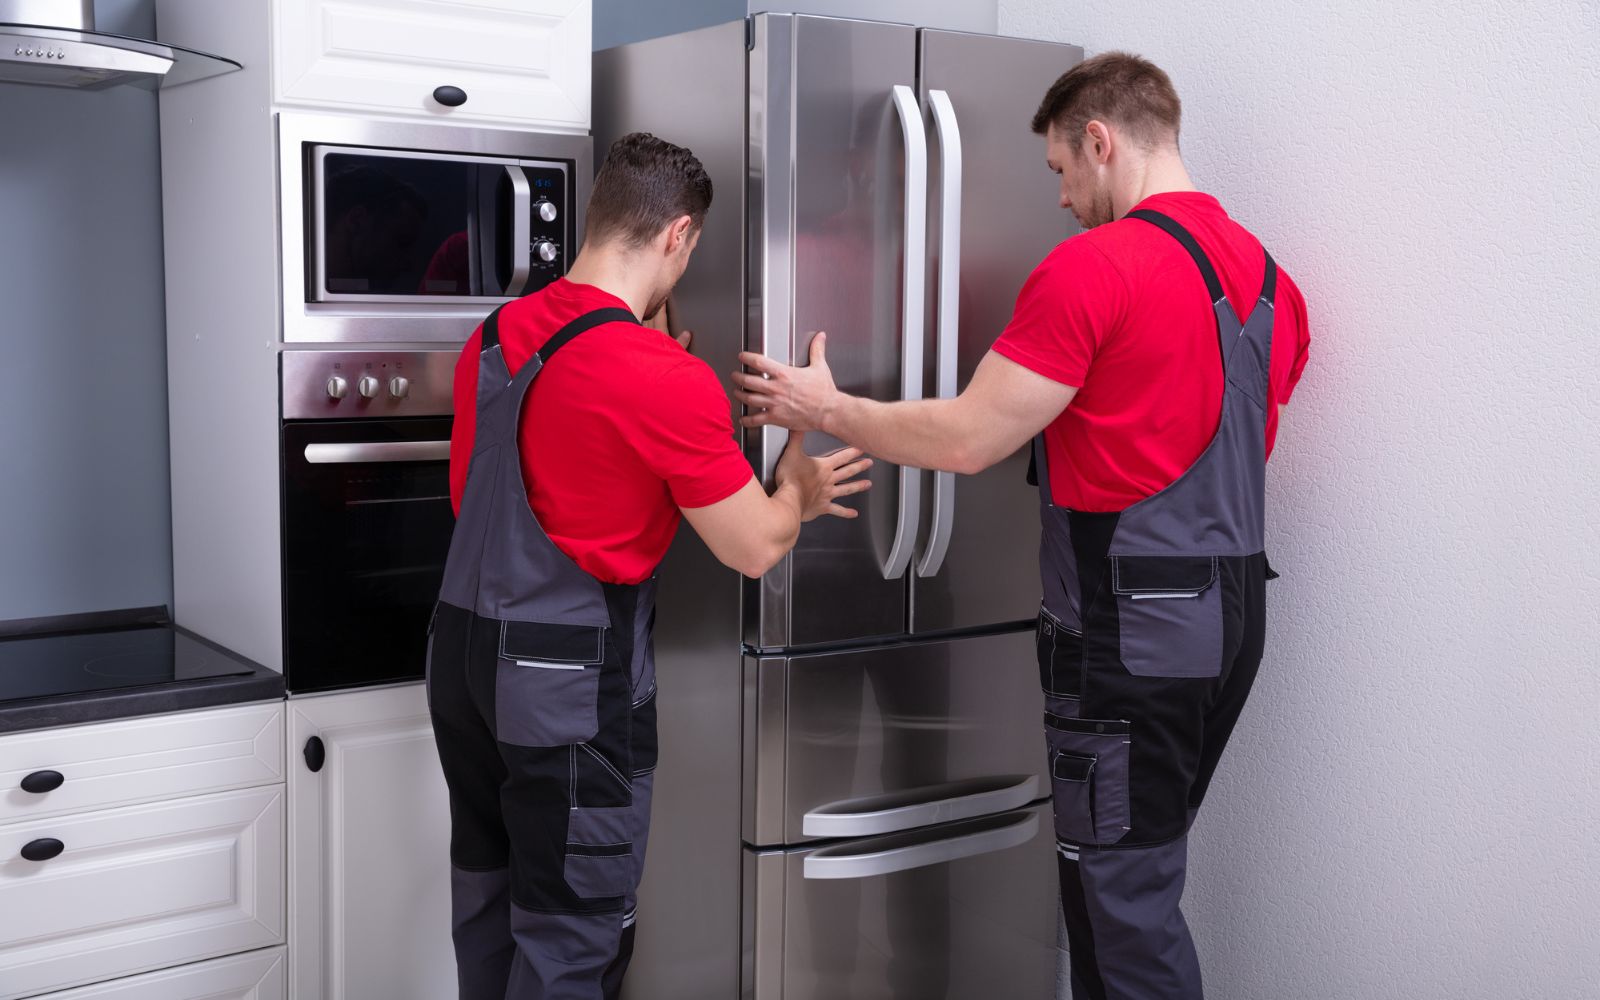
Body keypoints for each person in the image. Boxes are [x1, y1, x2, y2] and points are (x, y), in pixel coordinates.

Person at [731, 53, 1310, 1000]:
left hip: (1128, 635)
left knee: (1122, 911)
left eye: (1059, 172)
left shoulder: (1096, 267)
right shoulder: (1269, 285)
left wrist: (824, 407)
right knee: (1126, 879)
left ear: (1100, 140)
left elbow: (965, 440)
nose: (1062, 198)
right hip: (1230, 621)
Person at [427, 132, 872, 1000]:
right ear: (678, 237)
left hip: (462, 661)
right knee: (572, 940)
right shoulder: (661, 377)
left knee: (490, 913)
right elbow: (754, 546)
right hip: (564, 684)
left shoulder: (496, 335)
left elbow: (506, 483)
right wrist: (798, 485)